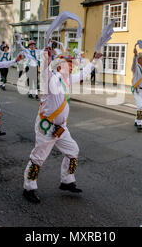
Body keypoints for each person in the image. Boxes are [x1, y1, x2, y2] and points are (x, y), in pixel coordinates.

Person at [22, 48, 103, 204]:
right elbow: (45, 71)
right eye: (69, 63)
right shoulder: (50, 79)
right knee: (38, 157)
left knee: (73, 150)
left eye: (72, 63)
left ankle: (67, 181)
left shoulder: (68, 80)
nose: (72, 65)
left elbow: (84, 73)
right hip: (46, 126)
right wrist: (46, 58)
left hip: (60, 128)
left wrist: (94, 60)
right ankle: (29, 188)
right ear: (59, 67)